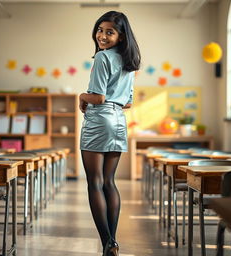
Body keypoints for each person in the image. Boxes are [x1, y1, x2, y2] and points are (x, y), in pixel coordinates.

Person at [79, 11, 140, 256]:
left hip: (99, 119)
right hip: (118, 121)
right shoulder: (130, 62)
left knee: (94, 182)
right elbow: (128, 102)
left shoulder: (103, 58)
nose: (102, 36)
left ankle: (108, 242)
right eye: (100, 30)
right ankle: (112, 241)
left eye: (109, 32)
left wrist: (82, 96)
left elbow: (99, 97)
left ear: (121, 36)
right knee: (109, 182)